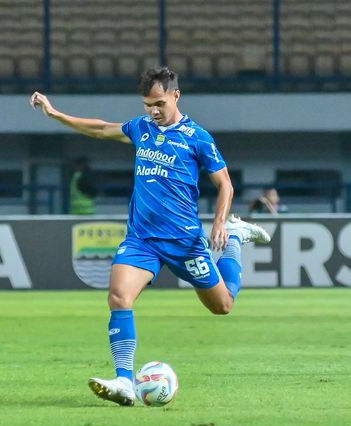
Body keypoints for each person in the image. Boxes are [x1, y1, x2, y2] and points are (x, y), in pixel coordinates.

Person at [30, 66, 271, 406]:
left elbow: (225, 184)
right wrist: (55, 114)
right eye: (147, 104)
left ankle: (235, 237)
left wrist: (219, 224)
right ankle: (124, 382)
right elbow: (100, 129)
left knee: (223, 306)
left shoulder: (197, 137)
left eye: (159, 103)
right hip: (142, 239)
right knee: (118, 297)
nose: (153, 111)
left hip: (185, 242)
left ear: (176, 95)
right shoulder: (141, 128)